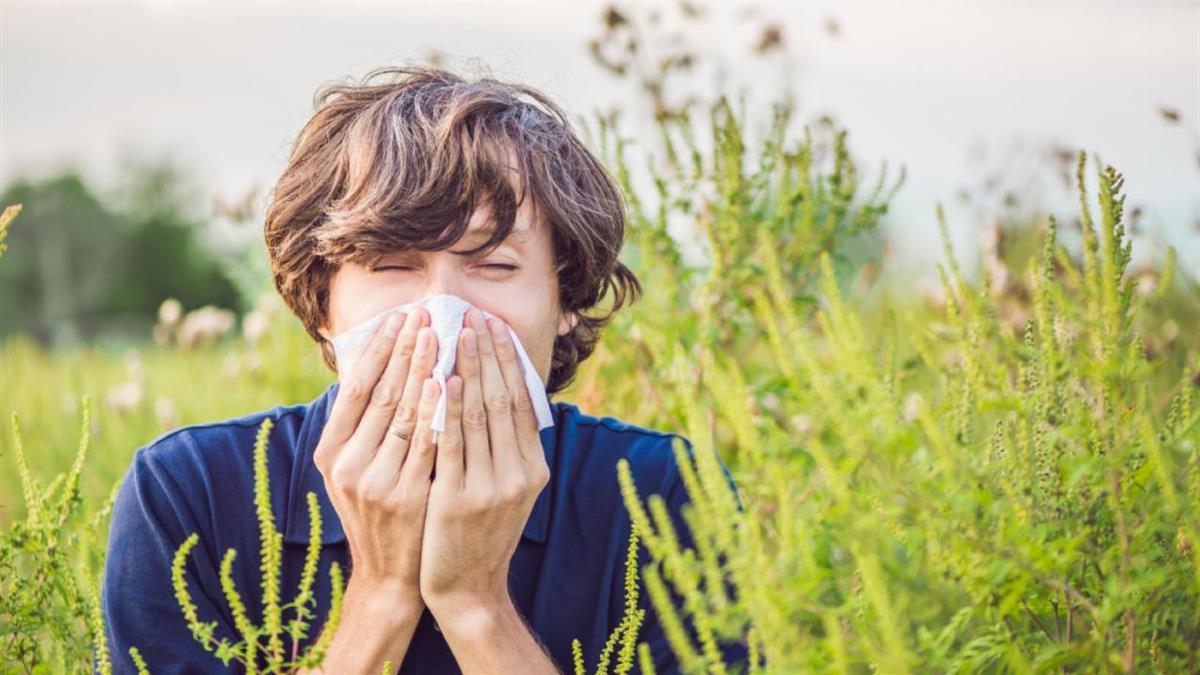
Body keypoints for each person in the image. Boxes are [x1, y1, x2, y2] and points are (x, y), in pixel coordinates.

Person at [100, 64, 747, 674]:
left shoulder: (662, 496)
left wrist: (477, 605)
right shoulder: (190, 496)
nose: (445, 310)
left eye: (494, 265)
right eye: (391, 264)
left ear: (568, 300)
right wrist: (381, 595)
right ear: (321, 302)